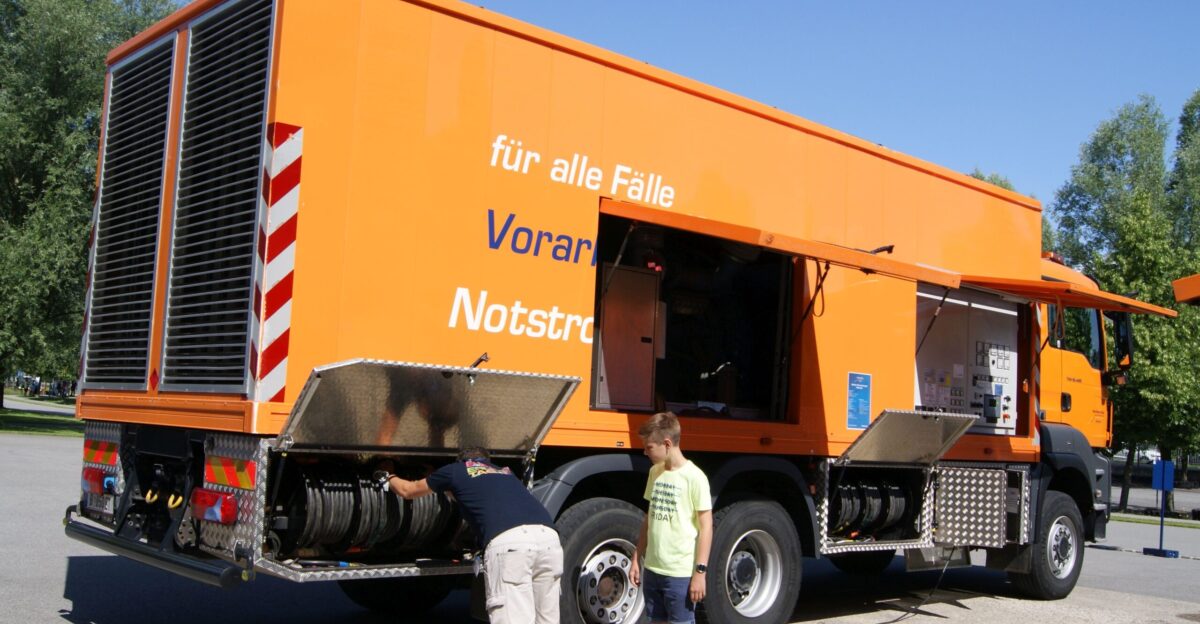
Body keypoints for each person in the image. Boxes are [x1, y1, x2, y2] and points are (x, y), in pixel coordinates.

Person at [380, 447, 563, 624]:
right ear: (485, 461)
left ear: (460, 460)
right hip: (549, 540)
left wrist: (387, 474)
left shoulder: (454, 470)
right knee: (548, 619)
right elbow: (470, 491)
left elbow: (407, 491)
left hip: (512, 545)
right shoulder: (505, 472)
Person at [630, 412, 713, 624]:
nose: (645, 452)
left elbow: (706, 528)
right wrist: (637, 556)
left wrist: (700, 573)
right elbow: (650, 517)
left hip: (679, 574)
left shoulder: (695, 477)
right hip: (653, 569)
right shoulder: (655, 472)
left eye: (649, 447)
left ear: (667, 443)